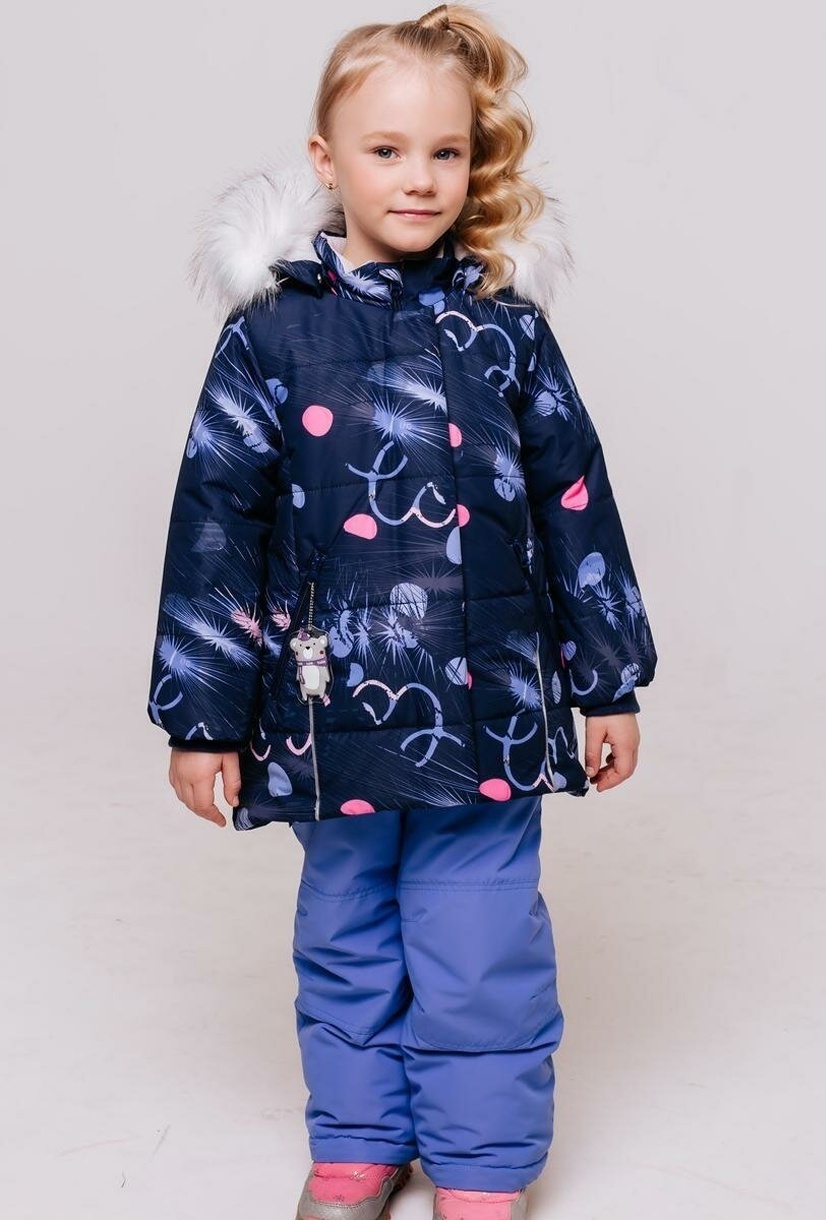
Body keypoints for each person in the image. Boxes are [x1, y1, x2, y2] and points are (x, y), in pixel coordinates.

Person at [146, 5, 658, 1217]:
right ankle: (361, 1138)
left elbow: (574, 501)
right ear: (325, 160)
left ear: (474, 163)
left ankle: (480, 1157)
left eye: (444, 151)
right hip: (329, 713)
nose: (418, 178)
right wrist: (200, 715)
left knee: (477, 939)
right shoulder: (271, 337)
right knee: (346, 933)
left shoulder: (506, 331)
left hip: (489, 713)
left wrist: (607, 680)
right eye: (385, 150)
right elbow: (218, 523)